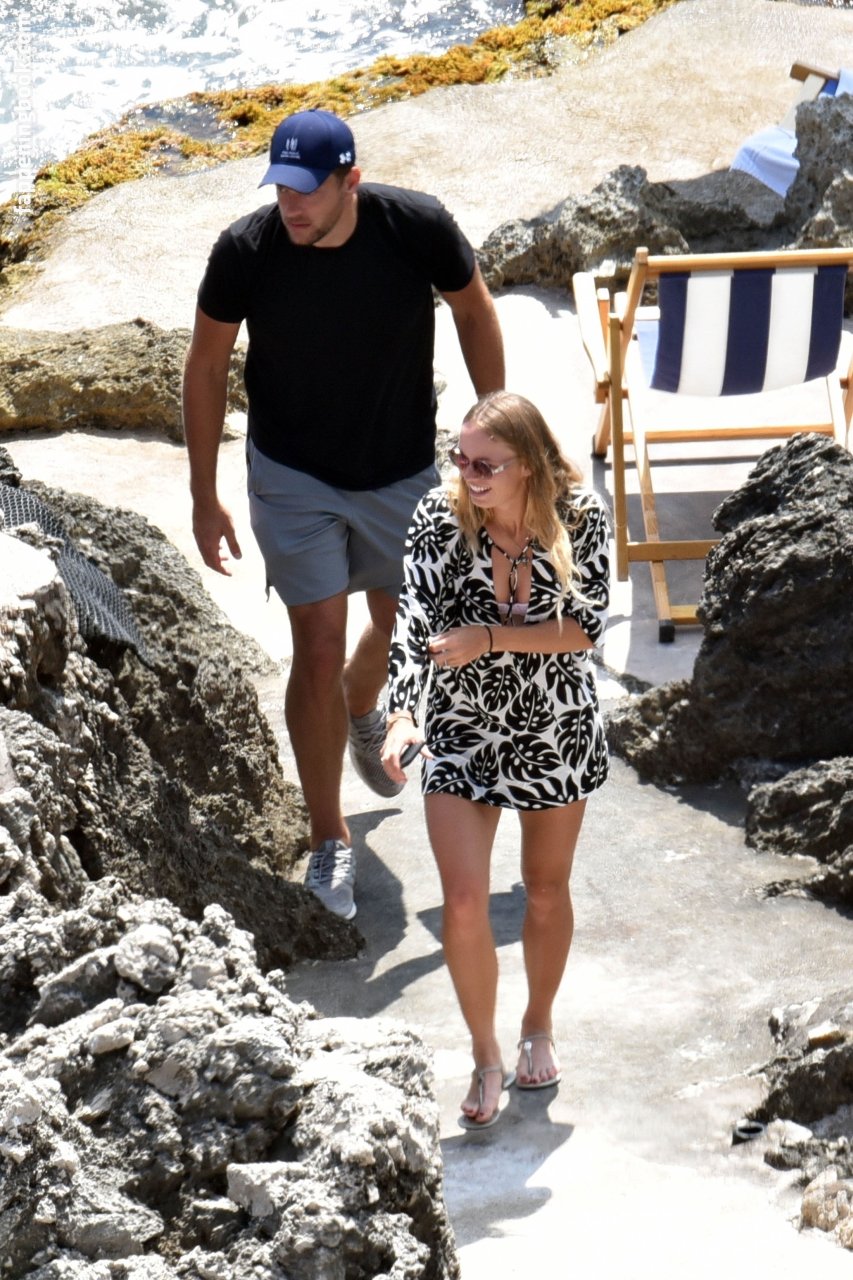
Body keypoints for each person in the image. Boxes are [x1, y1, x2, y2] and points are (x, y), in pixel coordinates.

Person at [183, 108, 505, 923]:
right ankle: (329, 837)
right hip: (292, 475)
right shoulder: (245, 251)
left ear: (348, 181)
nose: (289, 204)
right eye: (279, 188)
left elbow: (474, 310)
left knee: (406, 630)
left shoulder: (415, 227)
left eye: (306, 189)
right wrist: (203, 493)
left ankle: (365, 702)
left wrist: (496, 433)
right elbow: (207, 364)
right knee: (317, 644)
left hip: (400, 469)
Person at [381, 391, 609, 1128]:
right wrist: (402, 712)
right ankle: (483, 1054)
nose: (468, 474)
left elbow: (585, 628)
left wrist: (488, 638)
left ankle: (537, 1023)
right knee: (462, 901)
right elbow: (413, 613)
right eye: (461, 458)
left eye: (486, 464)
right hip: (461, 725)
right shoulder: (440, 515)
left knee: (544, 890)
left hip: (555, 723)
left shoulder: (581, 516)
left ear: (528, 465)